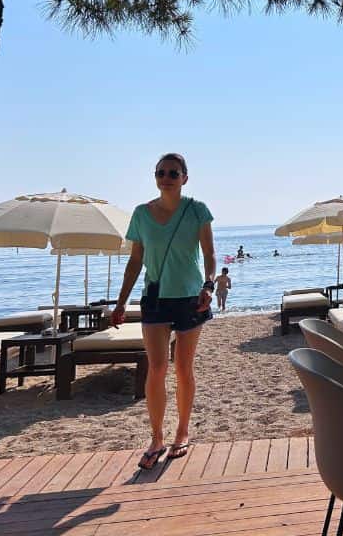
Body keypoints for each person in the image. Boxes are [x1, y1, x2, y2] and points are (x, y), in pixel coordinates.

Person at [112, 153, 215, 470]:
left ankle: (182, 432)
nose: (166, 176)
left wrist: (209, 285)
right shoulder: (141, 214)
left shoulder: (197, 210)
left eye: (173, 172)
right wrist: (120, 302)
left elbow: (210, 254)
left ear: (185, 177)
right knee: (156, 368)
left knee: (183, 369)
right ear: (154, 177)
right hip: (155, 298)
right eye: (161, 172)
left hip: (190, 297)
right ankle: (157, 437)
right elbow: (134, 262)